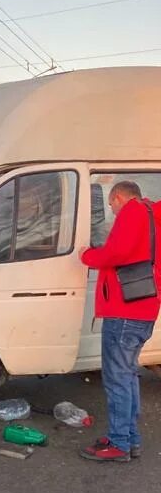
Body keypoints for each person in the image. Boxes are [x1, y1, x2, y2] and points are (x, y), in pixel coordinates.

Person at [79, 180, 161, 463]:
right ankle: (129, 438)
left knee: (117, 379)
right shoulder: (153, 214)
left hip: (124, 312)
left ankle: (119, 443)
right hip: (144, 309)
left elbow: (117, 253)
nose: (113, 212)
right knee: (127, 377)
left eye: (112, 206)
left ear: (117, 197)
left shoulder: (133, 211)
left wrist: (86, 255)